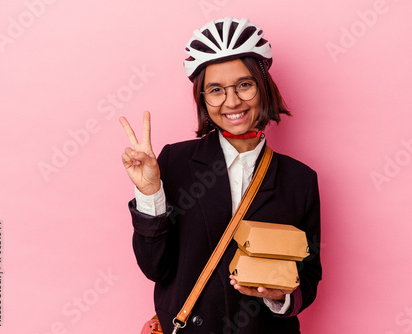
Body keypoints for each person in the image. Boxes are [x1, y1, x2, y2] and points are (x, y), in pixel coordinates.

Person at [120, 17, 321, 333]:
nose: (232, 101)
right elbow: (155, 267)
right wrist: (149, 192)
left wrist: (279, 297)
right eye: (216, 90)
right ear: (203, 98)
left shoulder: (300, 180)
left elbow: (308, 277)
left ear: (263, 87)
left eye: (244, 84)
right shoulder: (174, 161)